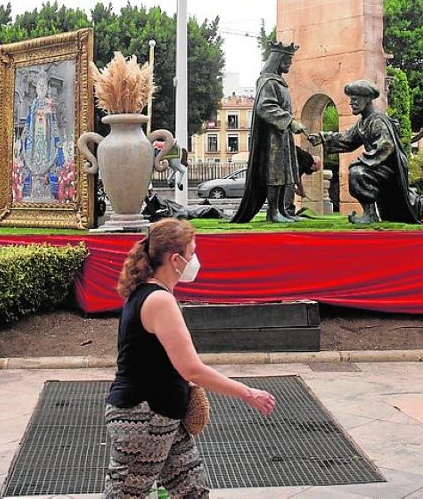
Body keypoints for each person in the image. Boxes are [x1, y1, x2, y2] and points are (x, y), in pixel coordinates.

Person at [105, 219, 276, 497]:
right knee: (125, 494)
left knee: (193, 491)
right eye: (192, 253)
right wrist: (247, 393)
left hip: (163, 416)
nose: (195, 260)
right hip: (145, 418)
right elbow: (192, 369)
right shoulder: (159, 300)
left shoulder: (150, 293)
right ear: (175, 259)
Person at [306, 80, 420, 224]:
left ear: (366, 99)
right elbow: (347, 139)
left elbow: (386, 146)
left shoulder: (377, 120)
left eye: (354, 99)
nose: (351, 103)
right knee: (358, 171)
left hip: (389, 168)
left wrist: (364, 161)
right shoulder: (363, 122)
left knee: (358, 172)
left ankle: (370, 215)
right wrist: (322, 137)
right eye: (350, 99)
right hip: (378, 167)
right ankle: (370, 213)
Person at [231, 41, 309, 223]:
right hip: (272, 137)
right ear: (279, 59)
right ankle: (273, 212)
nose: (290, 63)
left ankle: (282, 209)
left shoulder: (279, 82)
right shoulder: (267, 82)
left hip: (282, 135)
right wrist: (290, 121)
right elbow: (264, 106)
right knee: (275, 172)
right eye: (288, 59)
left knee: (284, 172)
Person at [284, 146, 322, 216]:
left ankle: (284, 209)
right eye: (314, 170)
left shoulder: (304, 157)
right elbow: (296, 177)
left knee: (288, 183)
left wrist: (297, 190)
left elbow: (293, 178)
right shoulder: (309, 160)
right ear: (315, 163)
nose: (311, 172)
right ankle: (288, 210)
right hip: (285, 160)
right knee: (289, 184)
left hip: (285, 165)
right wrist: (301, 191)